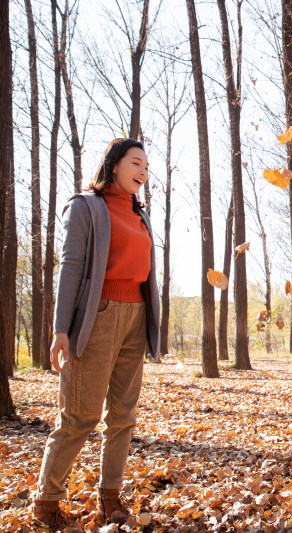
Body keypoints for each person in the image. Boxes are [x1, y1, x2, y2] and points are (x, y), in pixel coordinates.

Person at [33, 138, 160, 529]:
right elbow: (71, 268)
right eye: (136, 163)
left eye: (146, 166)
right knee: (79, 417)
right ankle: (46, 502)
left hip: (136, 317)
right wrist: (60, 330)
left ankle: (111, 499)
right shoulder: (86, 206)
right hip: (97, 317)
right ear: (115, 165)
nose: (142, 171)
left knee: (123, 415)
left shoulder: (140, 213)